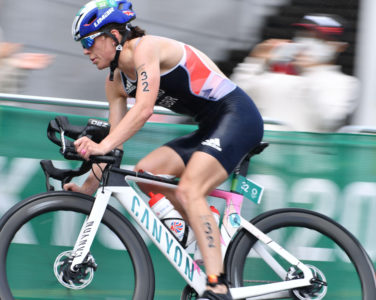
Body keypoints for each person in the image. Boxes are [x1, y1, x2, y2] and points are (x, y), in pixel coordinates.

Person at [65, 1, 264, 299]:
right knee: (146, 173)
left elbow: (143, 109)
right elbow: (113, 143)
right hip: (209, 128)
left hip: (238, 116)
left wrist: (102, 144)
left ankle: (217, 283)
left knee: (189, 189)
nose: (85, 50)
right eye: (83, 44)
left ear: (115, 36)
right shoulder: (116, 81)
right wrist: (87, 187)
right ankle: (201, 227)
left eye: (90, 41)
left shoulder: (146, 49)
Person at [231, 14, 360, 132]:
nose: (307, 44)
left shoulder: (343, 83)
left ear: (339, 46)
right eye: (305, 36)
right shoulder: (275, 76)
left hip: (305, 155)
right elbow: (234, 101)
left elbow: (327, 121)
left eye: (320, 39)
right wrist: (255, 61)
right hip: (260, 152)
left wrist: (307, 74)